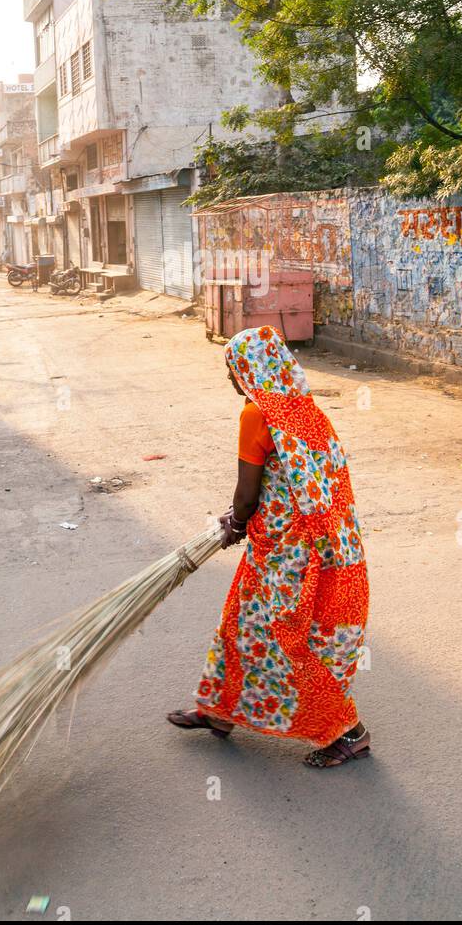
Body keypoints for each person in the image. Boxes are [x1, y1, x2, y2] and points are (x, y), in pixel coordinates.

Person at [168, 325, 370, 768]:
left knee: (286, 637)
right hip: (314, 545)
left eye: (233, 368)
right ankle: (220, 711)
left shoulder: (257, 415)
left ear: (251, 369)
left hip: (288, 555)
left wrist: (235, 521)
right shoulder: (304, 408)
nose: (229, 377)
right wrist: (244, 523)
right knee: (241, 622)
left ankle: (349, 732)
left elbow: (247, 493)